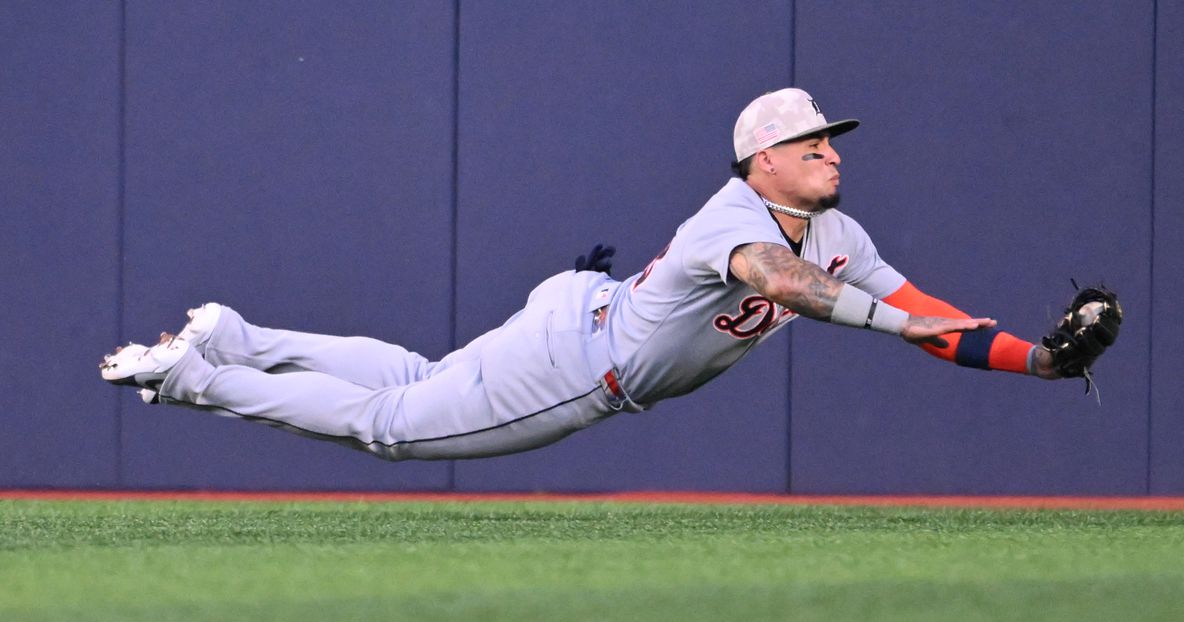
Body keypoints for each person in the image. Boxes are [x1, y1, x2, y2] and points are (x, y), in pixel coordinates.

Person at [100, 87, 1055, 461]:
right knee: (390, 427)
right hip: (577, 365)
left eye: (832, 141)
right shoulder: (735, 215)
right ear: (762, 159)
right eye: (812, 144)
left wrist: (1041, 360)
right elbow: (782, 281)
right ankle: (194, 375)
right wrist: (893, 323)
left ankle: (237, 337)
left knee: (421, 379)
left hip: (580, 310)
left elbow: (936, 320)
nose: (831, 153)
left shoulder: (842, 234)